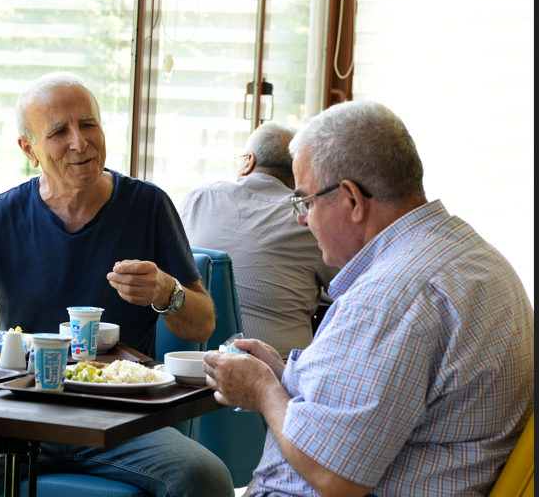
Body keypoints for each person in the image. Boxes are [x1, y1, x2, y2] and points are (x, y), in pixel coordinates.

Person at [0, 72, 233, 497]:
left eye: (88, 123)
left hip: (118, 419)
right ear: (28, 149)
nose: (79, 141)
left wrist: (167, 291)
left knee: (206, 479)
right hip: (18, 417)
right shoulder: (3, 215)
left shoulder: (147, 205)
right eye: (58, 132)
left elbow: (201, 325)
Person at [203, 101, 534, 496]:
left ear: (352, 200)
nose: (301, 220)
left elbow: (333, 475)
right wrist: (283, 374)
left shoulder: (391, 295)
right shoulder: (469, 253)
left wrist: (262, 390)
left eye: (305, 202)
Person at [181, 123, 338, 358]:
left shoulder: (198, 198)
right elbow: (351, 289)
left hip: (188, 364)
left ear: (249, 161)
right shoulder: (307, 217)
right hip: (275, 375)